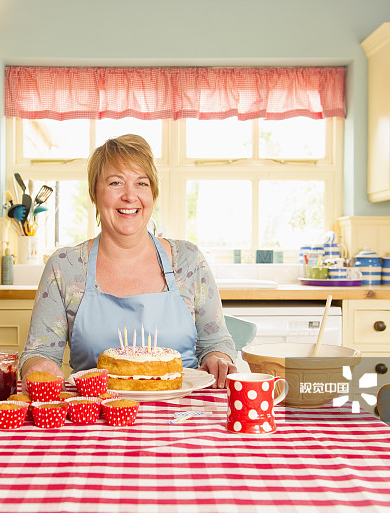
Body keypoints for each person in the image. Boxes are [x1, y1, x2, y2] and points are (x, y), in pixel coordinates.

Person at [19, 134, 237, 389]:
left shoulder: (189, 262)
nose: (130, 196)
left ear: (153, 194)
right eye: (115, 183)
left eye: (141, 183)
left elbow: (216, 343)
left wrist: (218, 359)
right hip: (95, 416)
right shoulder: (64, 267)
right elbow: (41, 352)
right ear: (95, 194)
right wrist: (37, 365)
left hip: (181, 414)